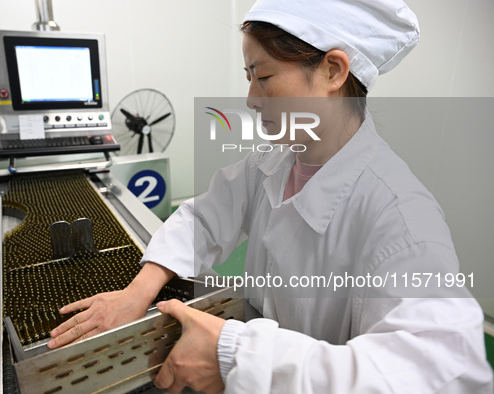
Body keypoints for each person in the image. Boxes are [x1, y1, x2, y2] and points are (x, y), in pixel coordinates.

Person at [47, 0, 494, 392]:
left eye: (263, 77)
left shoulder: (400, 218)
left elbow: (441, 375)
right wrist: (137, 292)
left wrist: (238, 358)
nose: (251, 98)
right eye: (248, 77)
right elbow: (203, 217)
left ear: (333, 71)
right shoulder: (277, 159)